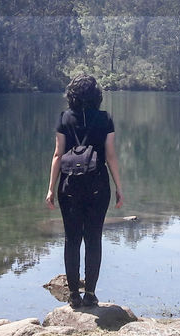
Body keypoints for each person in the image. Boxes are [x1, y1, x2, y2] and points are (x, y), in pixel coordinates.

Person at [44, 74, 123, 308]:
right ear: (96, 95)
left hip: (69, 186)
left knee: (72, 239)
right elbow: (110, 156)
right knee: (93, 238)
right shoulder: (105, 119)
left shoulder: (64, 118)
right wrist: (119, 187)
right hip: (98, 186)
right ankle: (90, 294)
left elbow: (58, 155)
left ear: (72, 95)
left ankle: (73, 297)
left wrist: (50, 189)